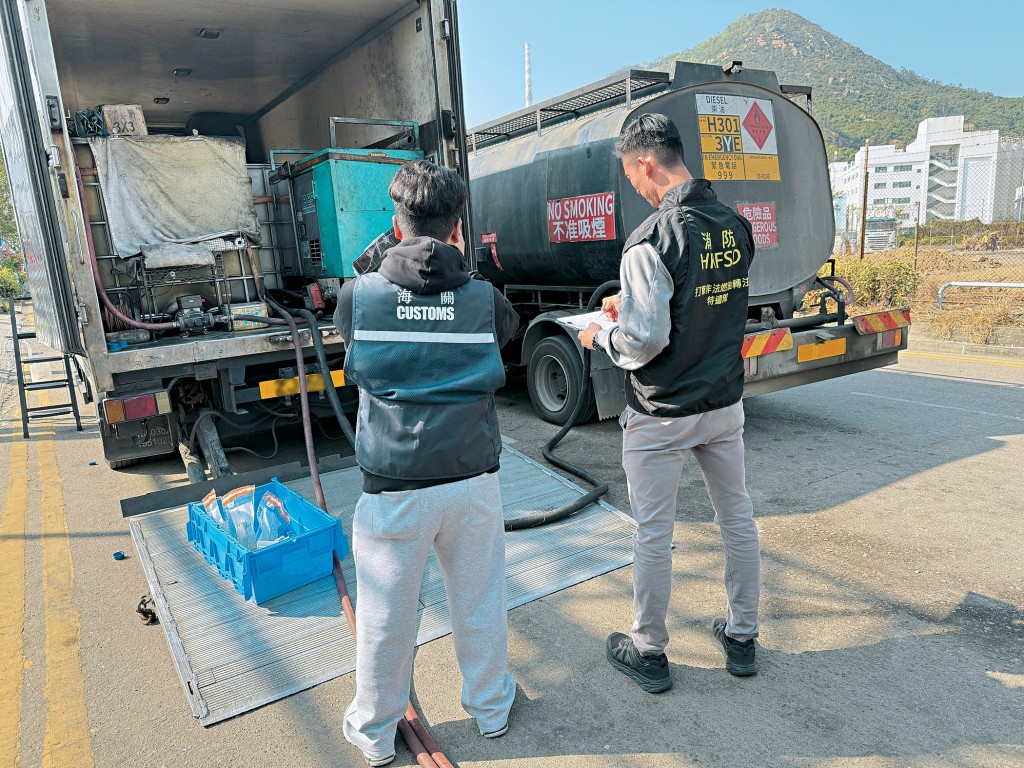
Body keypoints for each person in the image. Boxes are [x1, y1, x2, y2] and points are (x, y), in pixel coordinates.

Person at [335, 160, 519, 766]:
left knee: (386, 614)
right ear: (458, 227)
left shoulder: (358, 296)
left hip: (394, 489)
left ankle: (374, 735)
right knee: (480, 601)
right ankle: (491, 710)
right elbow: (506, 332)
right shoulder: (485, 300)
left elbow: (355, 343)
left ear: (395, 224)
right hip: (471, 482)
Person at [578, 113, 761, 693]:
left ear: (645, 164)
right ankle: (742, 636)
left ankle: (649, 651)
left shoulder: (650, 239)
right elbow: (706, 305)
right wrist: (629, 309)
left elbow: (646, 340)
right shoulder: (735, 224)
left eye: (629, 174)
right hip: (723, 403)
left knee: (654, 534)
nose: (632, 184)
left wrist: (603, 333)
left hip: (661, 413)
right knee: (737, 518)